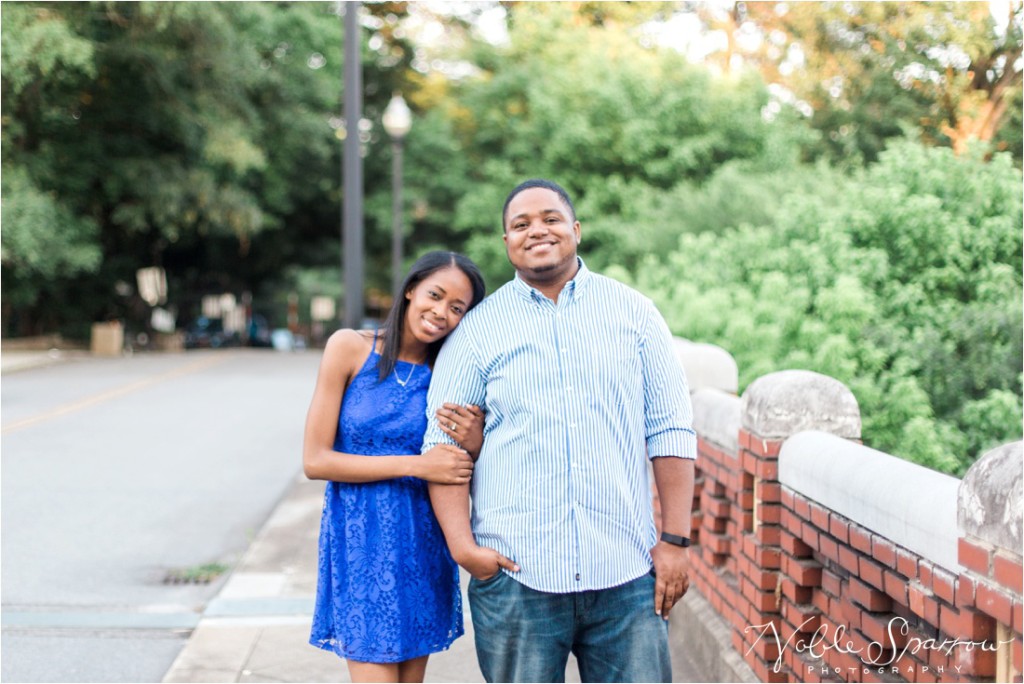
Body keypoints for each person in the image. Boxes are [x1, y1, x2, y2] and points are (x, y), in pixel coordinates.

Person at [423, 179, 697, 683]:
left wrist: (676, 541)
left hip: (627, 575)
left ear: (575, 229)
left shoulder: (634, 314)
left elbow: (670, 430)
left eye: (550, 218)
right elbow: (442, 450)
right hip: (516, 580)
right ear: (506, 242)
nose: (537, 231)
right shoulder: (477, 330)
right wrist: (465, 551)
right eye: (520, 224)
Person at [303, 251, 489, 683]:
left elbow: (460, 463)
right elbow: (315, 460)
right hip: (361, 539)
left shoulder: (450, 372)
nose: (441, 313)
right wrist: (416, 465)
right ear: (410, 289)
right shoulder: (349, 347)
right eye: (435, 296)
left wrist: (475, 443)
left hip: (421, 541)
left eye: (457, 308)